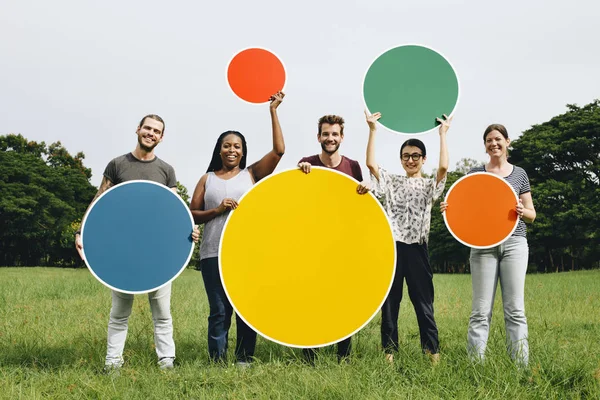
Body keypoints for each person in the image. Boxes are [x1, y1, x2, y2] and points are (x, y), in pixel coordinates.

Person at [75, 114, 200, 371]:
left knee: (162, 313)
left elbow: (174, 211)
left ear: (161, 137)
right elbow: (99, 199)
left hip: (157, 254)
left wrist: (190, 231)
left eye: (156, 131)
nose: (151, 133)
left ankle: (167, 361)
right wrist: (81, 231)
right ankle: (113, 363)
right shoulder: (117, 164)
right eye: (147, 128)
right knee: (119, 313)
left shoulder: (166, 170)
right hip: (123, 251)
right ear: (138, 129)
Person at [190, 91, 286, 366]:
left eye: (237, 146)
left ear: (243, 151)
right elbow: (192, 215)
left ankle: (244, 360)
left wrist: (273, 111)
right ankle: (217, 363)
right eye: (226, 145)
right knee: (219, 311)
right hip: (212, 254)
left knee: (246, 309)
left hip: (246, 254)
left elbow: (279, 151)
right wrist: (217, 210)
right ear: (219, 150)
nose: (232, 150)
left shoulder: (251, 175)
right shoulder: (206, 179)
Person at [441, 124, 535, 366]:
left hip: (514, 244)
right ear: (485, 146)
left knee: (515, 310)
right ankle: (476, 365)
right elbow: (465, 206)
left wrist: (523, 211)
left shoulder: (519, 174)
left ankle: (520, 365)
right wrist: (449, 209)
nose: (494, 143)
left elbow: (532, 214)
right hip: (483, 246)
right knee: (480, 311)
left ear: (507, 142)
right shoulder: (476, 173)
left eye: (498, 139)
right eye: (489, 140)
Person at [366, 110, 451, 365]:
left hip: (418, 250)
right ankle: (389, 356)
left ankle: (432, 355)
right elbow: (371, 164)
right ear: (401, 160)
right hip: (393, 250)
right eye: (406, 156)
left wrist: (443, 134)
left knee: (424, 305)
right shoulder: (392, 182)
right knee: (390, 306)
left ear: (423, 159)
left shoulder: (429, 186)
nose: (411, 160)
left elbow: (444, 167)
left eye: (415, 156)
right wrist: (372, 130)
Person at [297, 114, 369, 363]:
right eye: (326, 134)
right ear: (319, 137)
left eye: (335, 134)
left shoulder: (353, 166)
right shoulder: (306, 163)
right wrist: (301, 173)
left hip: (343, 244)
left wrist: (367, 188)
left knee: (342, 298)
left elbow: (362, 206)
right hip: (313, 244)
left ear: (342, 137)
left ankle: (344, 353)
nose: (330, 138)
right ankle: (310, 353)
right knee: (312, 297)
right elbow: (295, 198)